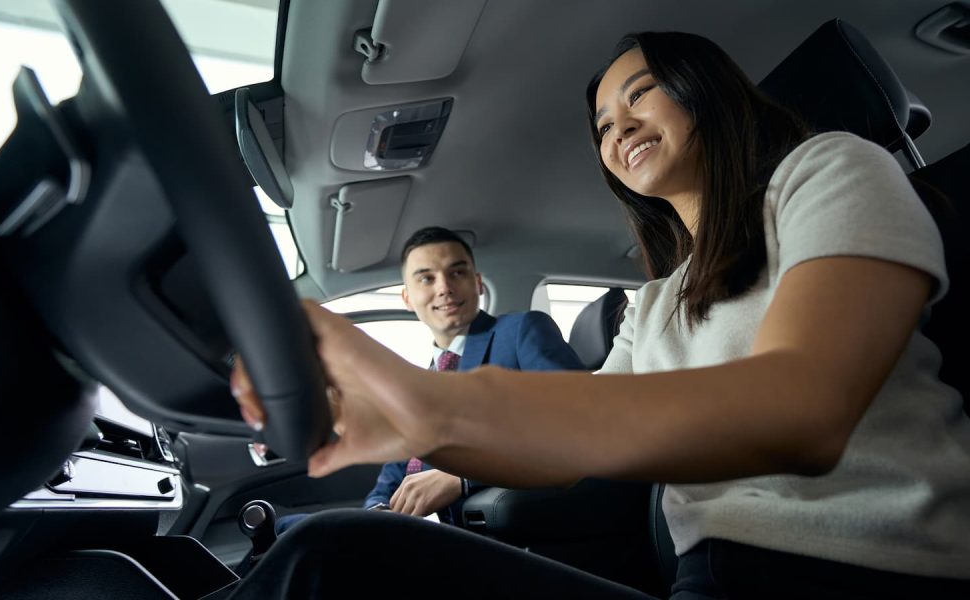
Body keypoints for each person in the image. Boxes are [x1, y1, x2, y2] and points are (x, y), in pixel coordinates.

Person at [232, 31, 970, 599]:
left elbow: (804, 409)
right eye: (602, 124)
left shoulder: (830, 169)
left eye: (641, 95)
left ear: (705, 91)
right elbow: (560, 453)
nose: (618, 127)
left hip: (872, 573)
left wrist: (437, 408)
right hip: (703, 581)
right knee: (333, 552)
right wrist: (401, 424)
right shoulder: (652, 305)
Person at [269, 226, 584, 534]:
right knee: (286, 532)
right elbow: (390, 477)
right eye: (426, 278)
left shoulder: (520, 332)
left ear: (478, 284)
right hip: (417, 532)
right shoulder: (422, 379)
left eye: (457, 273)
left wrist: (462, 480)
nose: (444, 287)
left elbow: (572, 423)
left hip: (481, 535)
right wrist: (378, 514)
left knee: (298, 537)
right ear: (407, 297)